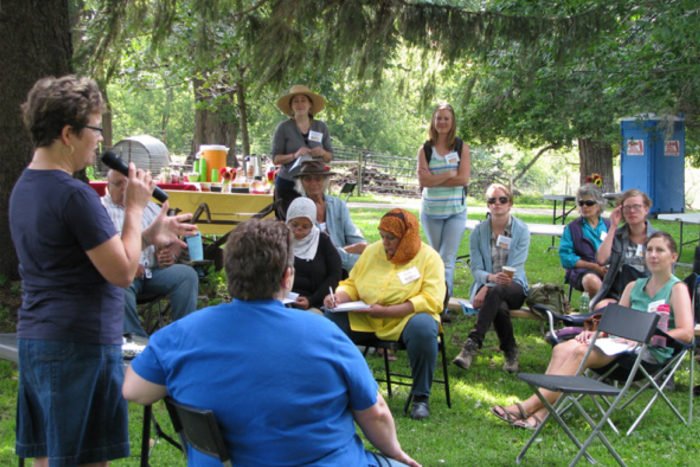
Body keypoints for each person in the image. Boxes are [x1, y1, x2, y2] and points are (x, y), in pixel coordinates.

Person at [123, 218, 420, 467]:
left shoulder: (180, 335)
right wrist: (395, 452)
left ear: (229, 276)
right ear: (286, 277)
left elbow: (134, 390)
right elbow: (376, 413)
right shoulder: (325, 333)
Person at [8, 75, 194, 466]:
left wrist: (145, 236)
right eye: (95, 128)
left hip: (40, 339)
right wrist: (131, 207)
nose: (99, 141)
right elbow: (124, 273)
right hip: (77, 348)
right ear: (67, 133)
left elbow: (98, 258)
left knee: (49, 458)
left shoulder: (25, 185)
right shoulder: (74, 195)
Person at [490, 231, 694, 430]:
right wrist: (598, 333)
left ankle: (526, 407)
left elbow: (686, 333)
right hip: (618, 345)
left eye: (660, 250)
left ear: (673, 257)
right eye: (649, 249)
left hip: (647, 354)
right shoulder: (634, 286)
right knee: (561, 349)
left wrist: (643, 337)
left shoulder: (677, 289)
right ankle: (540, 416)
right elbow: (615, 323)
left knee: (580, 352)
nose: (653, 255)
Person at [323, 209, 446, 420]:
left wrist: (388, 311)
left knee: (424, 327)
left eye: (391, 238)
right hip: (368, 318)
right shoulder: (372, 251)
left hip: (405, 320)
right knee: (329, 320)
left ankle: (420, 397)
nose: (385, 243)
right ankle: (332, 389)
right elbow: (352, 283)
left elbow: (431, 300)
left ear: (407, 237)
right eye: (382, 237)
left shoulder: (429, 258)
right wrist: (340, 297)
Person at [102, 169, 199, 337]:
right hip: (122, 273)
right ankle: (137, 341)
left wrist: (170, 254)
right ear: (107, 187)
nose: (125, 188)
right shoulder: (100, 209)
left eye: (129, 183)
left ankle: (183, 338)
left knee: (187, 275)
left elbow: (175, 241)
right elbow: (104, 250)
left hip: (153, 272)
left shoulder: (150, 208)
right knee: (118, 285)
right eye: (118, 184)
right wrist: (129, 264)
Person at [453, 183, 530, 374]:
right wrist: (488, 282)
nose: (497, 204)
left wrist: (487, 286)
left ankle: (472, 344)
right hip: (488, 288)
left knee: (496, 291)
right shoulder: (478, 232)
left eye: (502, 199)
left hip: (514, 286)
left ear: (510, 203)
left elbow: (514, 269)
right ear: (487, 205)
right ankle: (511, 353)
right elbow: (476, 268)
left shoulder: (521, 230)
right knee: (499, 307)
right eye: (492, 200)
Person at [417, 103, 470, 300]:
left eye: (446, 118)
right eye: (439, 118)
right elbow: (423, 181)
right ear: (433, 121)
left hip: (455, 211)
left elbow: (463, 179)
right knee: (435, 258)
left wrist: (434, 178)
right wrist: (448, 174)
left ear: (452, 121)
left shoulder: (461, 147)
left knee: (447, 259)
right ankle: (434, 297)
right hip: (431, 212)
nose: (442, 122)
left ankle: (443, 303)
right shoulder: (425, 150)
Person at [293, 159, 368, 272]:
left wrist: (366, 248)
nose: (313, 183)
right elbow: (315, 252)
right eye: (308, 179)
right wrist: (350, 251)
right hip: (315, 267)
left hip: (343, 264)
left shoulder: (338, 204)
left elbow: (354, 236)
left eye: (318, 179)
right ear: (301, 182)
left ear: (325, 181)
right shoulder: (298, 208)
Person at [271, 84, 333, 220]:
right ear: (291, 106)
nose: (300, 104)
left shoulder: (321, 127)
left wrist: (322, 152)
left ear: (310, 104)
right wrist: (294, 155)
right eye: (296, 101)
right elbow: (275, 159)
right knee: (291, 224)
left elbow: (329, 156)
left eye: (303, 100)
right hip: (288, 184)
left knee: (312, 223)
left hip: (313, 186)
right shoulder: (283, 128)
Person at [591, 189, 658, 310]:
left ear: (646, 209)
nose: (632, 211)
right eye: (627, 208)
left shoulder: (658, 238)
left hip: (649, 294)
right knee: (600, 308)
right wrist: (613, 227)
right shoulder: (617, 236)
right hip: (619, 294)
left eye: (636, 207)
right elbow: (601, 259)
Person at [286, 197, 342, 312]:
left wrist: (311, 300)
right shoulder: (280, 238)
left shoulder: (322, 241)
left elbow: (335, 274)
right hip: (282, 300)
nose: (299, 230)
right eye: (295, 225)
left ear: (312, 225)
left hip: (313, 302)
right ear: (288, 221)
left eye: (305, 227)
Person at [559, 184, 610, 297]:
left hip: (608, 269)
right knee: (591, 281)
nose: (584, 206)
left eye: (589, 203)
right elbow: (565, 258)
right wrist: (593, 266)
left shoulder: (609, 225)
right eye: (581, 203)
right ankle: (601, 311)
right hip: (582, 271)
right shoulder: (572, 228)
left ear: (599, 205)